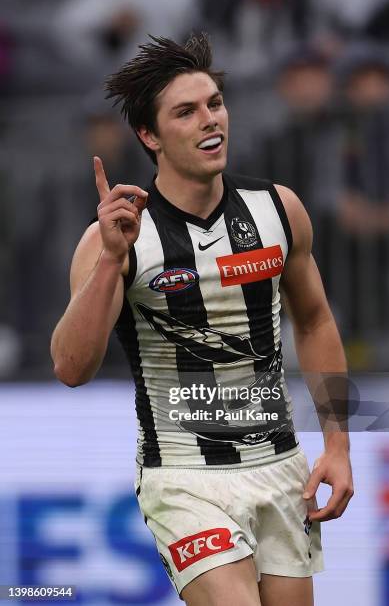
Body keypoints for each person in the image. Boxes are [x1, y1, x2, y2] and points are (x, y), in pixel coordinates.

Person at [51, 33, 354, 606]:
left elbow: (314, 322)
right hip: (184, 477)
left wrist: (337, 446)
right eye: (185, 112)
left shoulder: (277, 209)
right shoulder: (115, 238)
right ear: (150, 135)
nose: (209, 120)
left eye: (214, 103)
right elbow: (70, 367)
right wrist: (113, 261)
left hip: (280, 466)